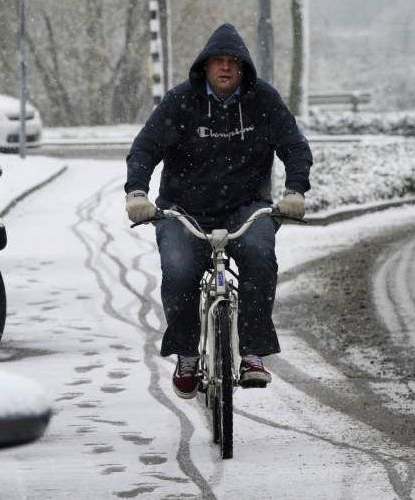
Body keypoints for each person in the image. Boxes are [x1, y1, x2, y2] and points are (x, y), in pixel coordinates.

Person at [124, 23, 312, 399]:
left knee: (260, 256)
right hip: (183, 209)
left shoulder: (263, 101)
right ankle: (188, 355)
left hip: (246, 207)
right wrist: (137, 193)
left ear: (243, 69)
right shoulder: (181, 102)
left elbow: (294, 145)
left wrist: (295, 190)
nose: (225, 68)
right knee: (179, 271)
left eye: (233, 63)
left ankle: (254, 353)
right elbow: (145, 148)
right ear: (205, 67)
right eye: (218, 62)